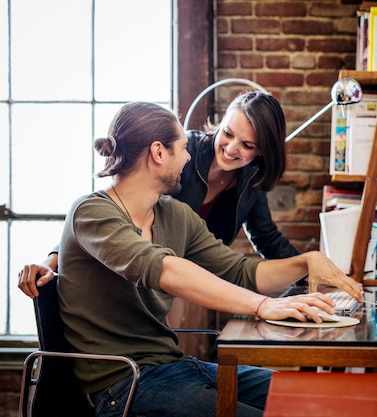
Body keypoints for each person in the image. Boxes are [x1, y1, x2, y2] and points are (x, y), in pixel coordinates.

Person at [32, 101, 363, 417]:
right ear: (159, 152)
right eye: (183, 148)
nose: (190, 157)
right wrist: (262, 305)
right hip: (122, 384)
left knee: (313, 399)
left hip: (174, 366)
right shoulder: (91, 211)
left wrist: (306, 261)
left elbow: (242, 271)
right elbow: (163, 269)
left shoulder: (175, 214)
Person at [19, 91, 301, 297]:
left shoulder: (250, 178)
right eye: (227, 133)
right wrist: (54, 258)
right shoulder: (178, 154)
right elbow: (106, 212)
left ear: (262, 150)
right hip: (154, 273)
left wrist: (309, 270)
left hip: (192, 273)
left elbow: (265, 240)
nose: (231, 148)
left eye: (247, 145)